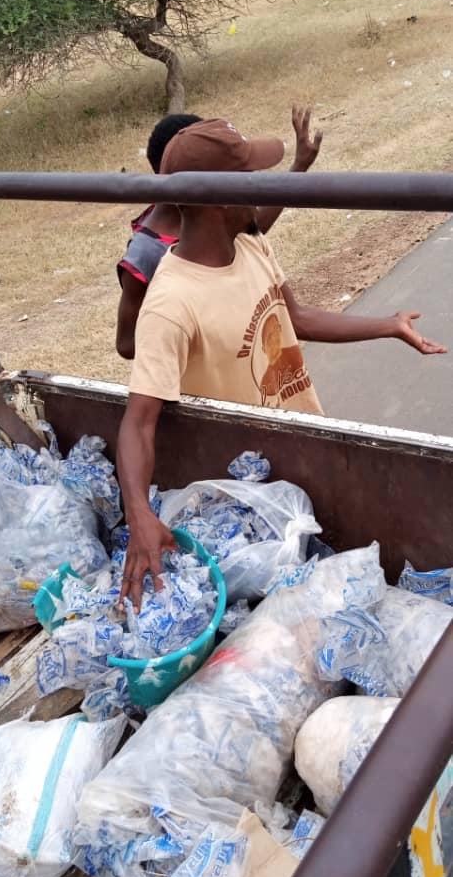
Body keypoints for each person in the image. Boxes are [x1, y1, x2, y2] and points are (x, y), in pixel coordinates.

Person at [117, 118, 447, 609]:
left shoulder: (249, 245)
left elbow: (294, 317)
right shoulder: (171, 303)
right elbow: (138, 422)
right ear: (220, 199)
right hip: (259, 498)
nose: (264, 185)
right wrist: (139, 512)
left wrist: (388, 325)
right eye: (253, 176)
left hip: (306, 444)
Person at [115, 107, 323, 359]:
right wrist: (195, 327)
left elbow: (250, 231)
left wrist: (298, 168)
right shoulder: (146, 252)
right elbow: (126, 344)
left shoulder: (207, 216)